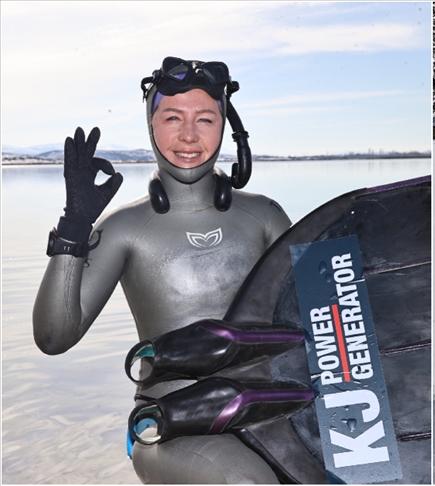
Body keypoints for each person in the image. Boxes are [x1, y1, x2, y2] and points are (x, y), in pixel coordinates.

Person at [33, 57, 292, 483]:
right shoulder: (124, 229)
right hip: (170, 427)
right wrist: (73, 232)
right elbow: (53, 337)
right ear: (151, 125)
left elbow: (322, 320)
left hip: (270, 412)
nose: (189, 135)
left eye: (205, 119)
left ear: (225, 127)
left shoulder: (264, 216)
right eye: (172, 117)